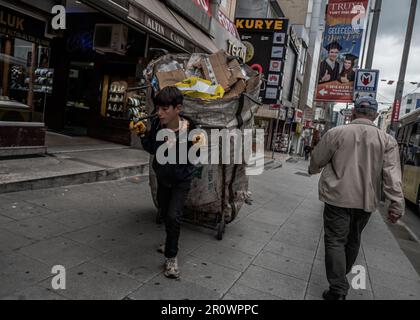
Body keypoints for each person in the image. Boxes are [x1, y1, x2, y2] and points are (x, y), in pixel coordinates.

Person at [308, 96, 405, 300]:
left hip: (337, 197)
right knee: (353, 239)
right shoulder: (387, 141)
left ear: (353, 113)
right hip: (366, 201)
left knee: (335, 240)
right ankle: (340, 278)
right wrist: (396, 204)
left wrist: (313, 169)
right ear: (376, 115)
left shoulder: (337, 132)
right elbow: (392, 176)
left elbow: (318, 158)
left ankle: (338, 288)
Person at [132, 86, 197, 279]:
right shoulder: (156, 125)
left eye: (164, 109)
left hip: (181, 181)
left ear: (178, 108)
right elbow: (152, 147)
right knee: (164, 211)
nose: (159, 113)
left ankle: (171, 257)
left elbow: (197, 154)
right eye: (158, 108)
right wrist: (142, 134)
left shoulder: (191, 127)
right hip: (163, 179)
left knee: (173, 216)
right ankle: (170, 241)